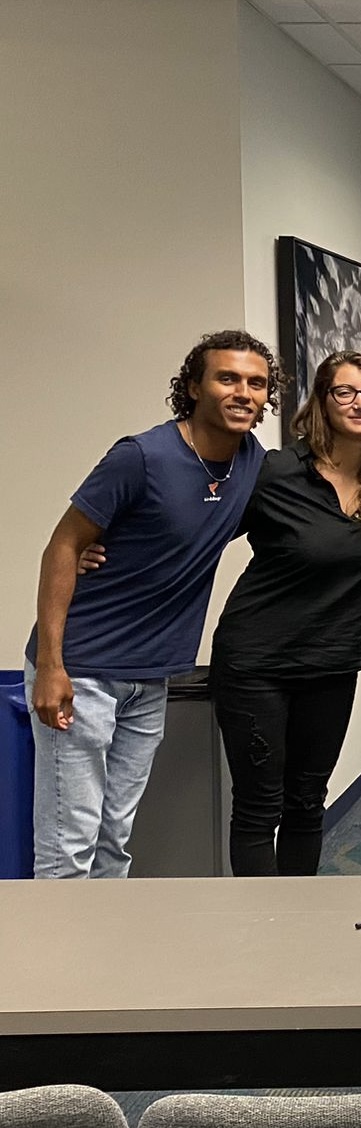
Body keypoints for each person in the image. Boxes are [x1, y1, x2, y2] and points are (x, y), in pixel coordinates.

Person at [25, 330, 275, 878]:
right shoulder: (141, 457)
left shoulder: (252, 463)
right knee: (70, 843)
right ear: (193, 386)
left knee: (115, 836)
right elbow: (62, 545)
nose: (243, 392)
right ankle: (58, 963)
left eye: (256, 383)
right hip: (84, 668)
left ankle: (103, 955)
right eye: (227, 378)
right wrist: (50, 665)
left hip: (153, 675)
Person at [210, 350, 361, 876]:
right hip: (257, 662)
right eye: (344, 392)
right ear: (322, 404)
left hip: (332, 661)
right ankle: (262, 935)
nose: (360, 402)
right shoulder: (276, 472)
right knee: (259, 808)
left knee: (307, 801)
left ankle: (298, 927)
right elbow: (203, 527)